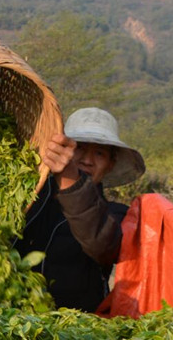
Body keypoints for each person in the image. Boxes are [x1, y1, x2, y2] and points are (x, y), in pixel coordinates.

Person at [14, 107, 145, 312]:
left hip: (75, 328)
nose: (87, 160)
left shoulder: (116, 215)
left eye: (99, 153)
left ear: (110, 164)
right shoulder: (30, 198)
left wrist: (70, 178)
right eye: (80, 148)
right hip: (10, 318)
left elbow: (102, 245)